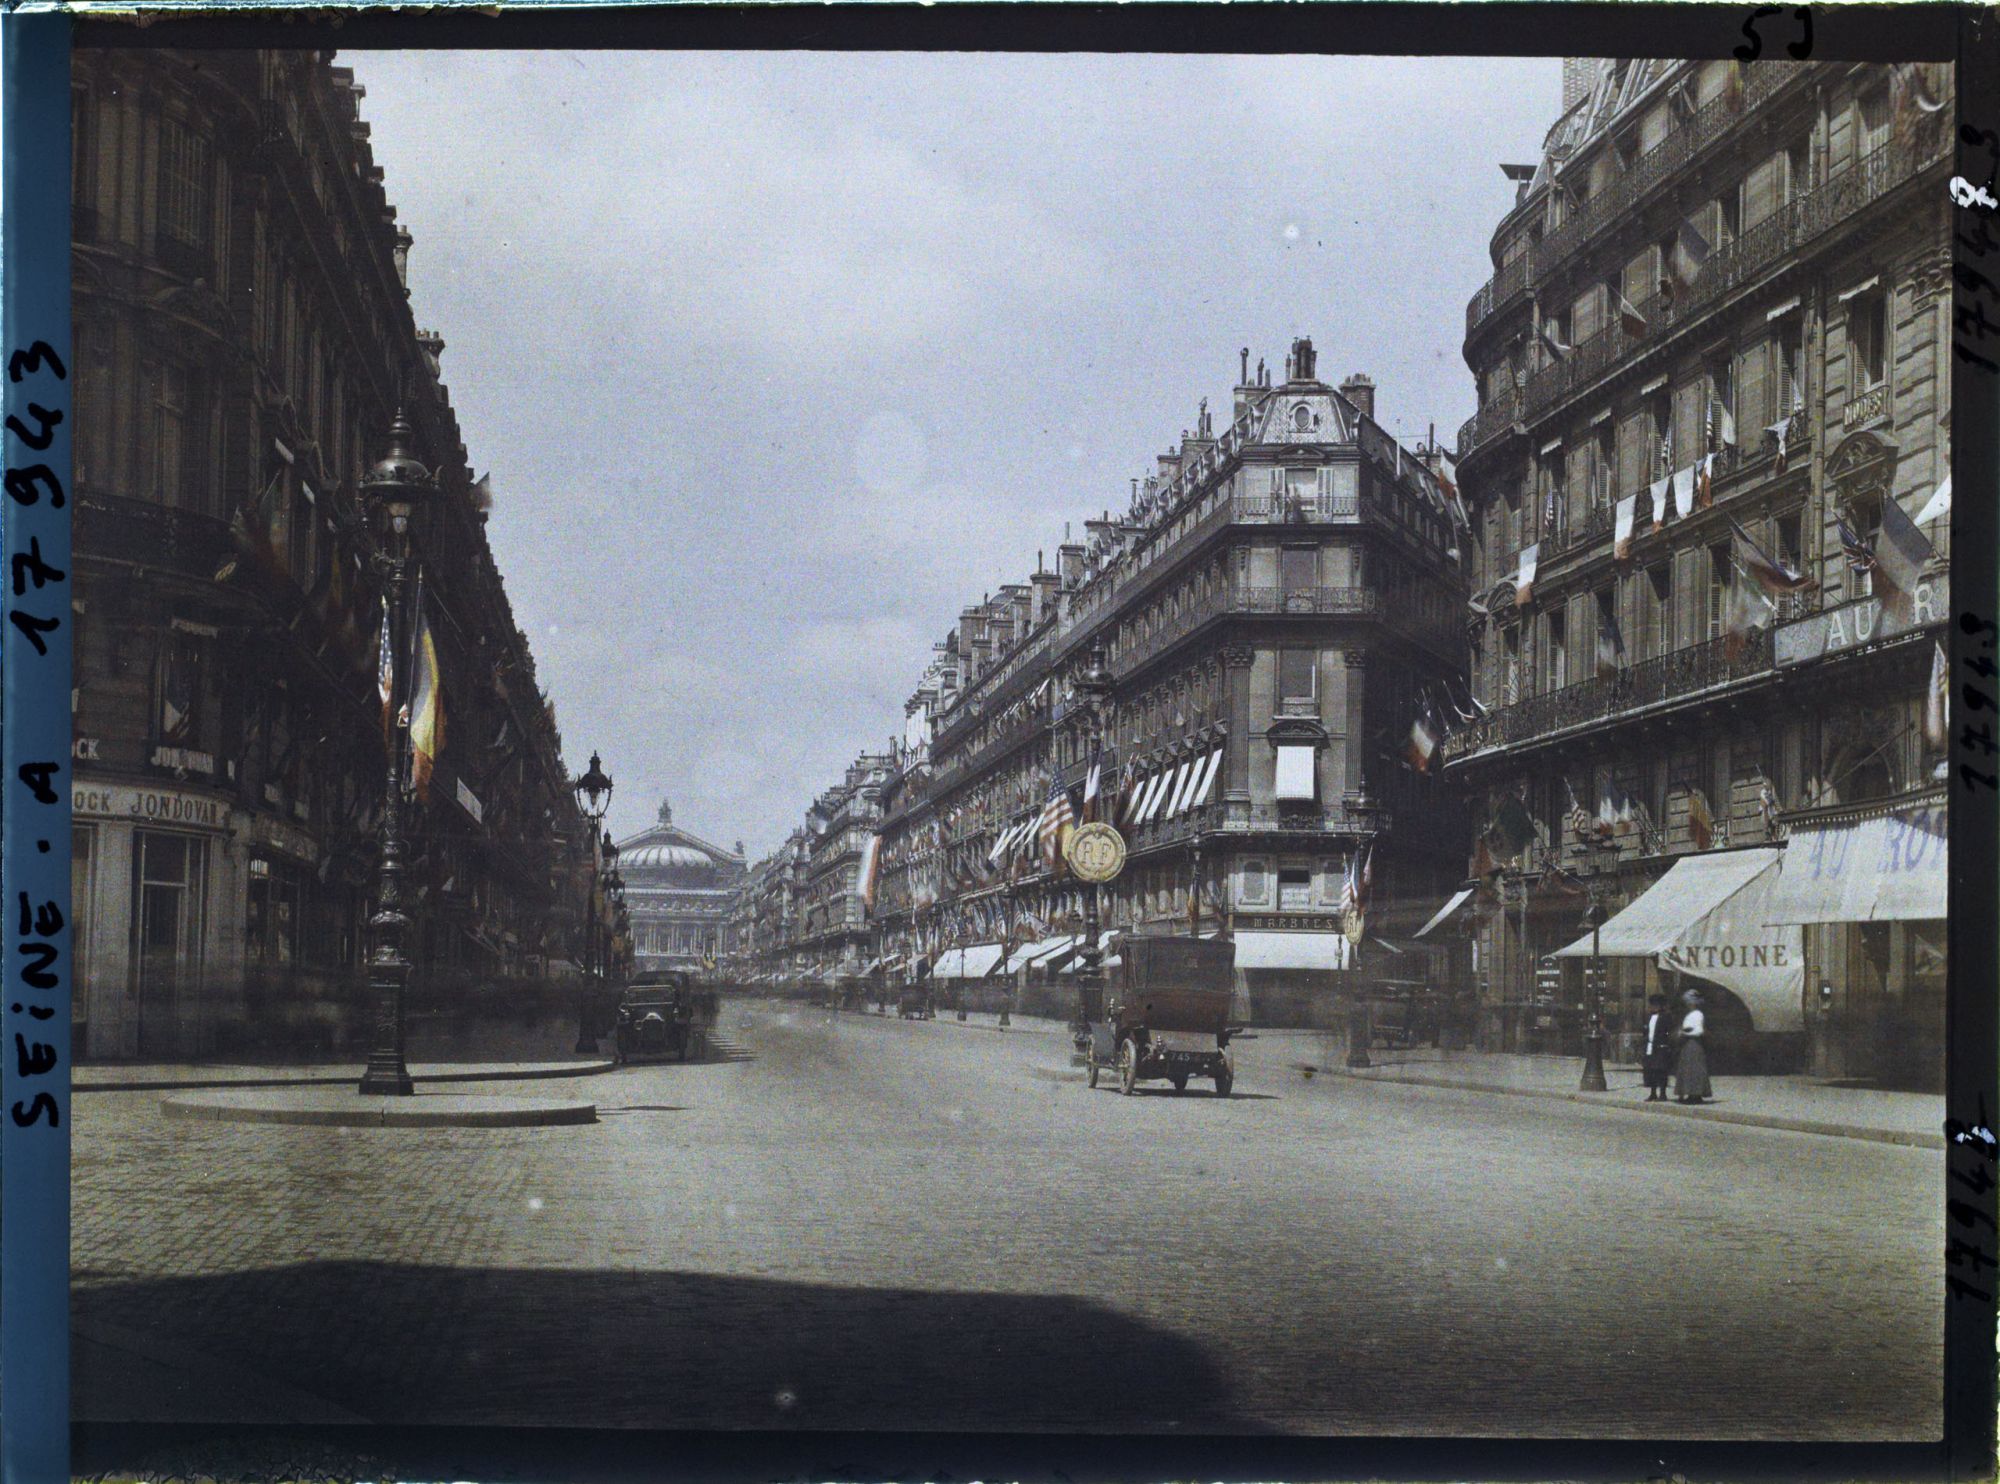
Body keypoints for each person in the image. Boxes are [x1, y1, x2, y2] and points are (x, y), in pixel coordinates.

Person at [1674, 988, 1713, 1104]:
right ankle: (1690, 1093)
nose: (1687, 1004)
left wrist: (1684, 1033)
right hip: (1688, 1044)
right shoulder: (1690, 1014)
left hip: (1694, 1043)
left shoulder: (1698, 1014)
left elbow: (1699, 1031)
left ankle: (1696, 1095)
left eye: (1689, 1002)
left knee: (1695, 1069)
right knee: (1688, 1069)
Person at [1641, 992, 1676, 1101]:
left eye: (1656, 1005)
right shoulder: (1649, 1017)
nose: (1653, 1007)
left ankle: (1663, 1094)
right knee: (1651, 1071)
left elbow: (1669, 1031)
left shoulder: (1666, 1017)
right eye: (1652, 1004)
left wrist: (1666, 1044)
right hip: (1650, 1047)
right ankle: (1653, 1093)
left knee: (1661, 1071)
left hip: (1661, 1047)